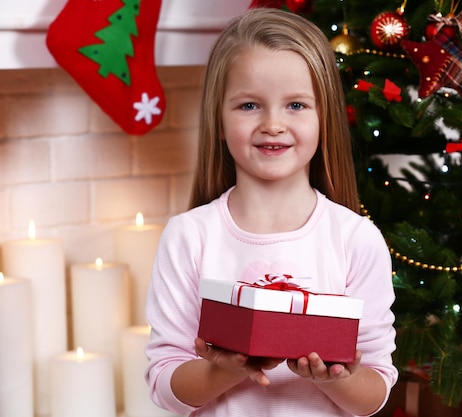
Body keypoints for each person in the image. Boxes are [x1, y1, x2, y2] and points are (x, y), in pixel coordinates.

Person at [145, 7, 398, 417]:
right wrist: (225, 371)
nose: (273, 124)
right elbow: (164, 383)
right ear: (219, 120)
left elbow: (374, 391)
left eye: (296, 105)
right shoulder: (189, 236)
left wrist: (338, 378)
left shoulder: (355, 238)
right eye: (249, 106)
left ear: (324, 117)